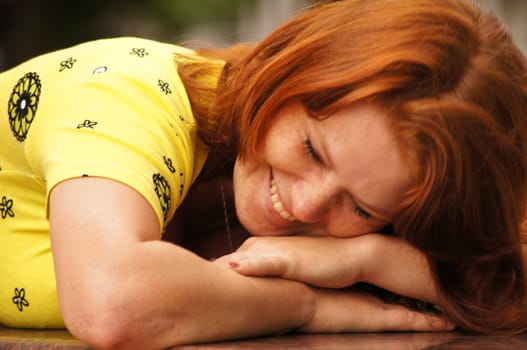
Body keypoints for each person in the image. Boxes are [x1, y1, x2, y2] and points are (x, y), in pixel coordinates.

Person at [1, 0, 526, 348]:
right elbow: (111, 302)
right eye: (312, 150)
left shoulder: (353, 214)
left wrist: (364, 256)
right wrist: (306, 305)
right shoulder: (122, 97)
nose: (306, 205)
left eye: (362, 207)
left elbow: (508, 276)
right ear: (288, 68)